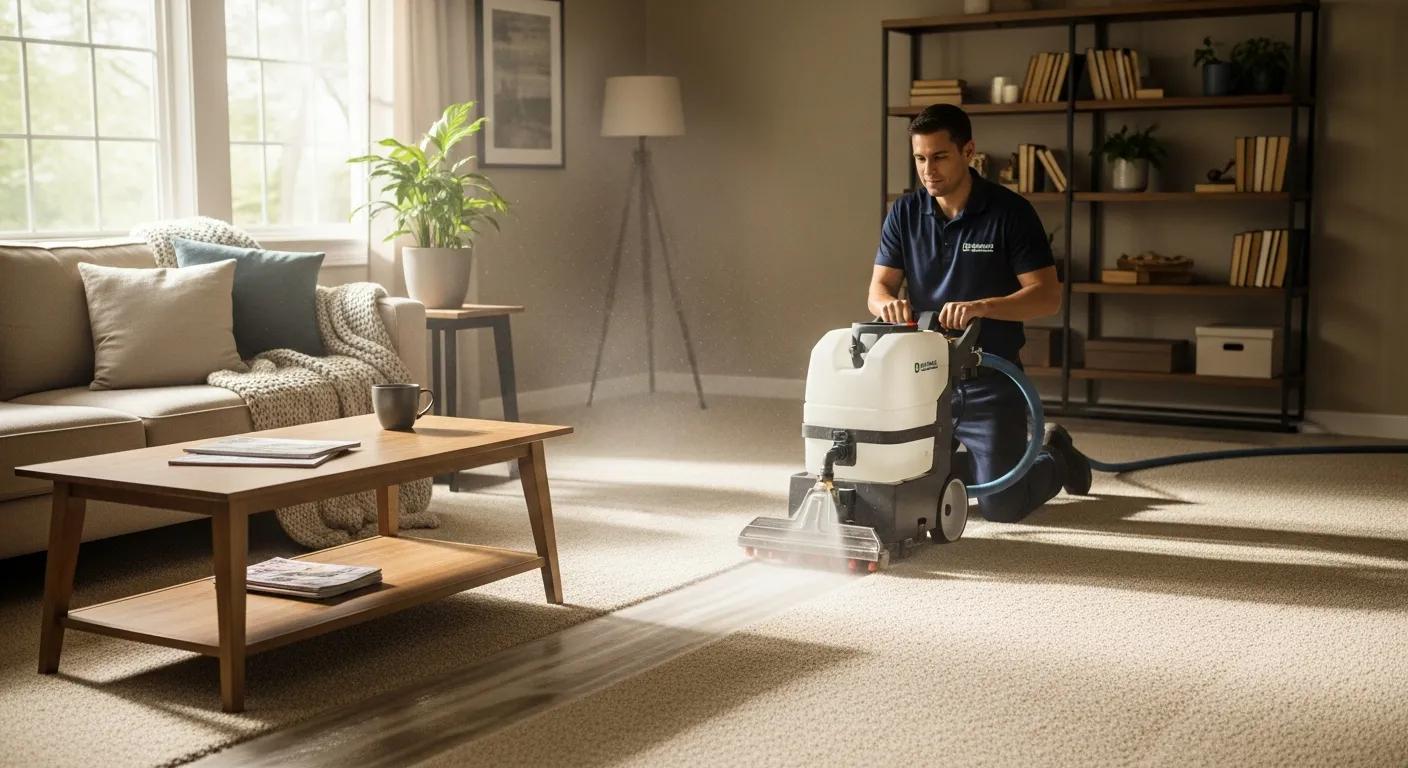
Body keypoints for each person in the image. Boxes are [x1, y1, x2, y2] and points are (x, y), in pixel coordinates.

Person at [867, 104, 1091, 526]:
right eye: (919, 158)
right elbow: (877, 290)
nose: (928, 170)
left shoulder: (1011, 213)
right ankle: (971, 467)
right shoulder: (904, 212)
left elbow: (1048, 297)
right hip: (924, 381)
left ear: (968, 151)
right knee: (903, 486)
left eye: (939, 156)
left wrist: (984, 307)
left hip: (992, 383)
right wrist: (888, 306)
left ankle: (1054, 454)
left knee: (1000, 507)